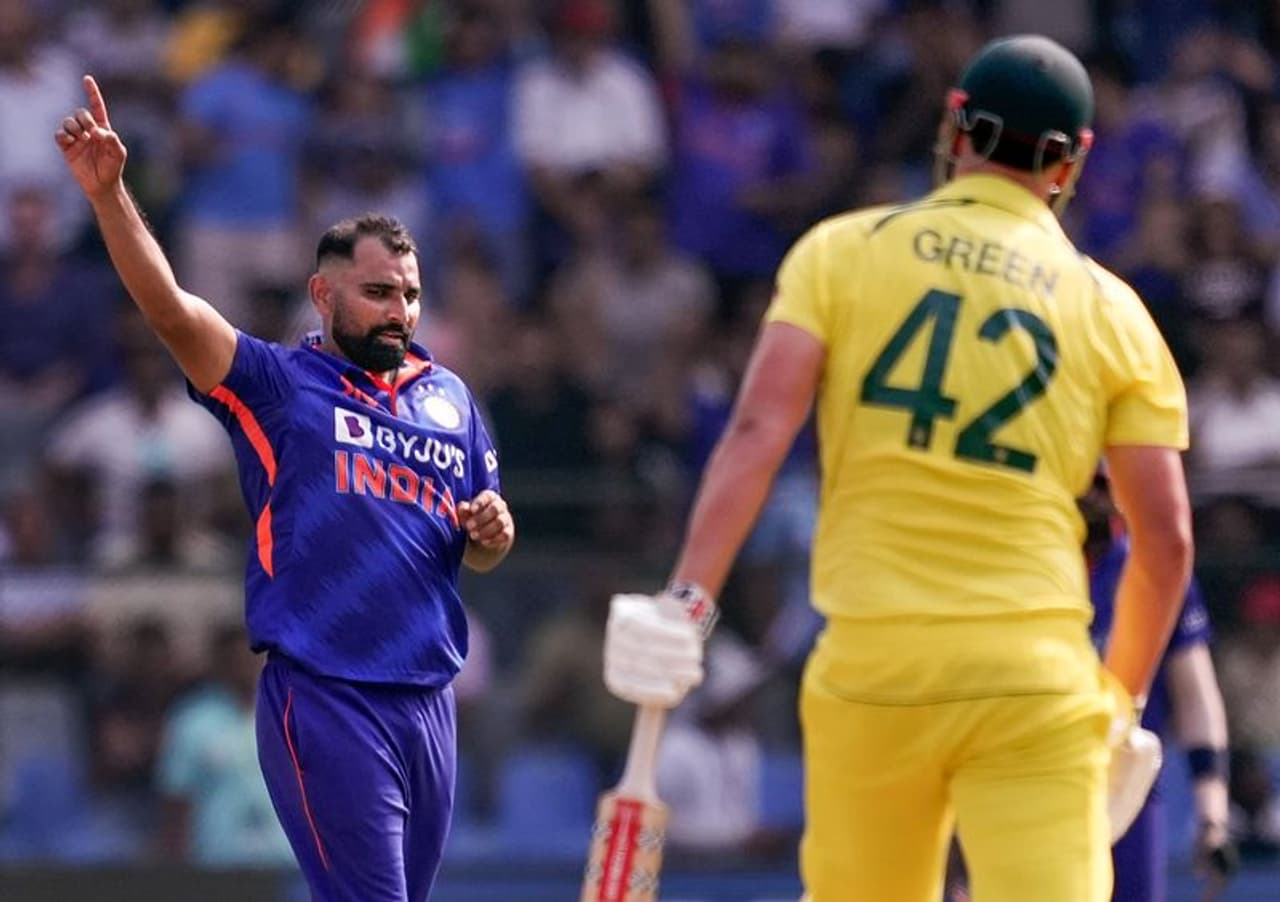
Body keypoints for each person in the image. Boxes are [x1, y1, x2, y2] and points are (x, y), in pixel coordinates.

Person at [602, 35, 1194, 902]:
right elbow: (1166, 541)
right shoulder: (1115, 311)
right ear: (1072, 162)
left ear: (955, 126)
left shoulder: (843, 250)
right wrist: (1122, 704)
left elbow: (758, 431)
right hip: (1031, 679)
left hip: (871, 672)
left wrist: (688, 603)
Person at [56, 76, 515, 902]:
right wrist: (110, 195)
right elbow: (171, 311)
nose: (400, 312)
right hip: (327, 691)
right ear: (323, 294)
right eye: (378, 293)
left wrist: (493, 531)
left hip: (429, 698)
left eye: (411, 294)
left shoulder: (449, 398)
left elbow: (478, 551)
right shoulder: (279, 385)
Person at [1081, 469, 1237, 901]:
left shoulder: (1152, 565)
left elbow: (1197, 697)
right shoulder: (1026, 563)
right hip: (1030, 779)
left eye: (1104, 482)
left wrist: (1212, 818)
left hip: (1129, 790)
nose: (1094, 495)